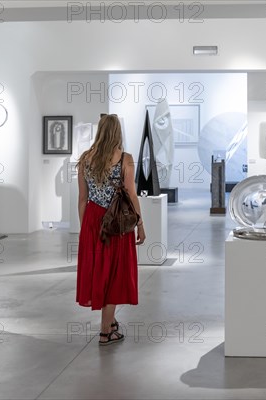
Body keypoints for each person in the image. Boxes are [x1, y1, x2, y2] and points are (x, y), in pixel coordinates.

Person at [76, 114, 146, 346]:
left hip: (93, 220)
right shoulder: (125, 158)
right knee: (115, 273)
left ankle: (111, 321)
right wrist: (140, 224)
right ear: (118, 133)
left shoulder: (86, 158)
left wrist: (85, 227)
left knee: (100, 271)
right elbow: (131, 194)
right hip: (116, 222)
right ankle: (106, 332)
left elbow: (82, 198)